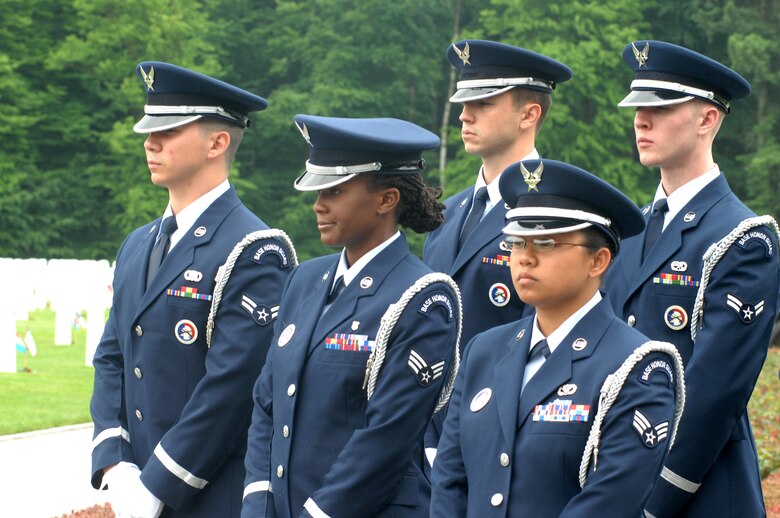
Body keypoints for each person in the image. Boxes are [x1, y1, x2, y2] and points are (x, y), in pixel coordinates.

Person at [90, 62, 295, 517]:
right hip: (131, 491)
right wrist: (116, 464)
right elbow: (112, 357)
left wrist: (154, 488)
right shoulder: (138, 244)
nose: (150, 141)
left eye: (168, 130)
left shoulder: (255, 250)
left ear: (217, 142)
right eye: (149, 129)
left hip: (207, 496)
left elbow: (232, 388)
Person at [431, 158, 682, 517]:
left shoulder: (637, 368)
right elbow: (449, 481)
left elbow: (610, 502)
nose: (524, 258)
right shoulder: (483, 351)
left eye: (545, 243)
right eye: (517, 243)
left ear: (598, 261)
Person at [241, 115, 461, 517]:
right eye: (318, 190)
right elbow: (267, 402)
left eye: (335, 190)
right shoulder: (305, 279)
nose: (318, 204)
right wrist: (259, 499)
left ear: (386, 200)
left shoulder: (423, 298)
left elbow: (385, 440)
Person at [605, 40, 780, 516]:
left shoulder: (744, 238)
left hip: (696, 492)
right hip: (617, 480)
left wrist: (654, 499)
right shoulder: (632, 231)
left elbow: (714, 391)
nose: (641, 120)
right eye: (638, 107)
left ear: (707, 119)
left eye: (660, 107)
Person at [423, 39, 572, 347]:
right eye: (465, 104)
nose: (464, 115)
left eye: (483, 103)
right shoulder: (447, 213)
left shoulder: (555, 215)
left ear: (528, 115)